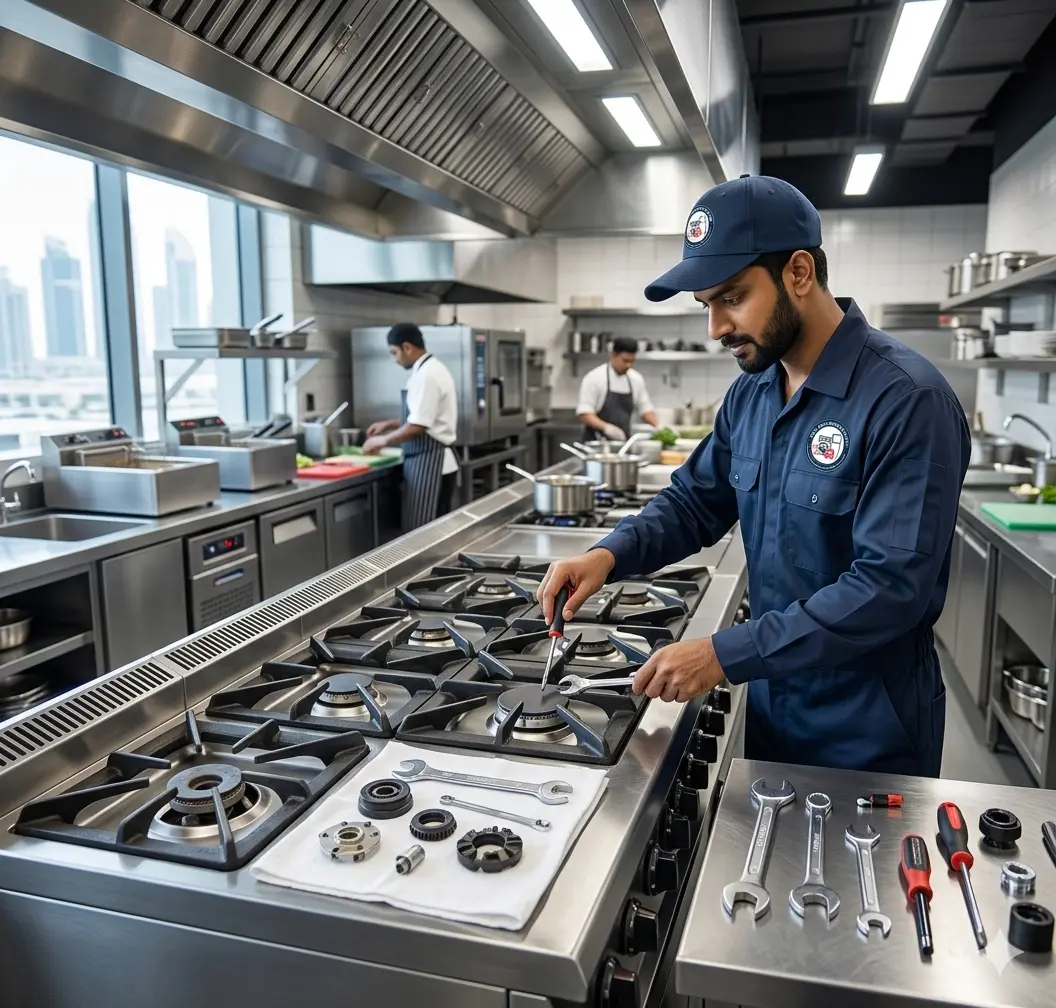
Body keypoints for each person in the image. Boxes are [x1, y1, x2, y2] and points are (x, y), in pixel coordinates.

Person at [538, 174, 970, 777]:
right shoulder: (752, 394)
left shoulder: (906, 400)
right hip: (774, 704)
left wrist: (723, 653)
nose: (716, 327)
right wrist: (609, 555)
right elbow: (694, 502)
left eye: (732, 298)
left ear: (799, 272)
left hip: (867, 728)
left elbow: (890, 588)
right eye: (706, 306)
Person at [362, 323, 459, 530]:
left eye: (394, 352)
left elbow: (419, 425)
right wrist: (388, 424)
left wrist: (382, 440)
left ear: (407, 347)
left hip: (431, 463)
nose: (394, 359)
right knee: (430, 532)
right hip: (430, 462)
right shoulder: (431, 369)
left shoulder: (427, 375)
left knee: (425, 534)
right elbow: (422, 415)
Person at [576, 336, 659, 441]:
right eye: (625, 361)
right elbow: (585, 413)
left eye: (632, 361)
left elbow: (645, 409)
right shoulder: (595, 378)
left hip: (623, 444)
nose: (629, 365)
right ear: (614, 355)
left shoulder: (636, 379)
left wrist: (658, 427)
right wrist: (607, 428)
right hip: (596, 444)